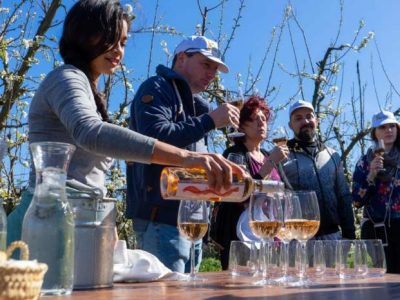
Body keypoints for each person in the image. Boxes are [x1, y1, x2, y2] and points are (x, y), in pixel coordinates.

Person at [7, 0, 242, 247]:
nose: (118, 50)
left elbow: (90, 176)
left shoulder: (91, 90)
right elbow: (91, 133)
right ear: (83, 34)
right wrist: (187, 158)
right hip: (44, 226)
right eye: (110, 37)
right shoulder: (66, 78)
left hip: (79, 221)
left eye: (123, 42)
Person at [126, 35, 241, 272]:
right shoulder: (156, 87)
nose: (212, 74)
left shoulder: (198, 106)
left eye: (215, 69)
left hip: (194, 220)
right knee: (165, 293)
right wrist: (209, 121)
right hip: (162, 219)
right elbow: (153, 139)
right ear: (181, 58)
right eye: (206, 64)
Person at [210, 95, 289, 270]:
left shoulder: (269, 155)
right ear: (240, 125)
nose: (261, 123)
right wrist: (270, 165)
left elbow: (283, 192)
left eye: (264, 119)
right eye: (254, 119)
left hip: (270, 235)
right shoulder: (234, 154)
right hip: (241, 238)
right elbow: (239, 194)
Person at [282, 100, 355, 240]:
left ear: (317, 120)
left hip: (333, 237)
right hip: (297, 239)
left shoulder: (332, 155)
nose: (305, 121)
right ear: (290, 125)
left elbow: (343, 195)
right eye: (298, 118)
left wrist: (349, 233)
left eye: (309, 116)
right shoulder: (281, 155)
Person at [352, 110, 400, 273]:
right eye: (382, 127)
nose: (388, 130)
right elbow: (357, 201)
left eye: (392, 126)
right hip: (376, 229)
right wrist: (371, 174)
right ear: (374, 133)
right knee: (382, 279)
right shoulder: (364, 162)